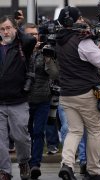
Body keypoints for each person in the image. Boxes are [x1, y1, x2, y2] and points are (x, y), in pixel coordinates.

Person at [55, 6, 100, 180]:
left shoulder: (59, 39)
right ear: (73, 21)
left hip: (66, 94)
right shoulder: (82, 41)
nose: (82, 21)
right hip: (85, 94)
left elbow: (82, 58)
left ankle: (67, 165)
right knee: (95, 130)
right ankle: (93, 171)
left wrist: (97, 46)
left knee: (74, 131)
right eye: (79, 18)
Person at [0, 15, 36, 180]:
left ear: (15, 29)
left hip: (18, 100)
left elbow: (31, 39)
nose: (5, 32)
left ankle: (23, 162)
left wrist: (18, 30)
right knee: (0, 141)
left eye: (8, 28)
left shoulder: (22, 44)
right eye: (2, 29)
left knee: (21, 137)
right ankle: (5, 171)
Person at [24, 23, 59, 180]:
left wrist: (47, 58)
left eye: (35, 34)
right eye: (29, 34)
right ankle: (25, 162)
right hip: (24, 99)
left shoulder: (45, 51)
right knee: (25, 133)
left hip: (43, 98)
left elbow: (54, 75)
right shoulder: (21, 52)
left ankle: (35, 164)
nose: (33, 37)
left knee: (38, 132)